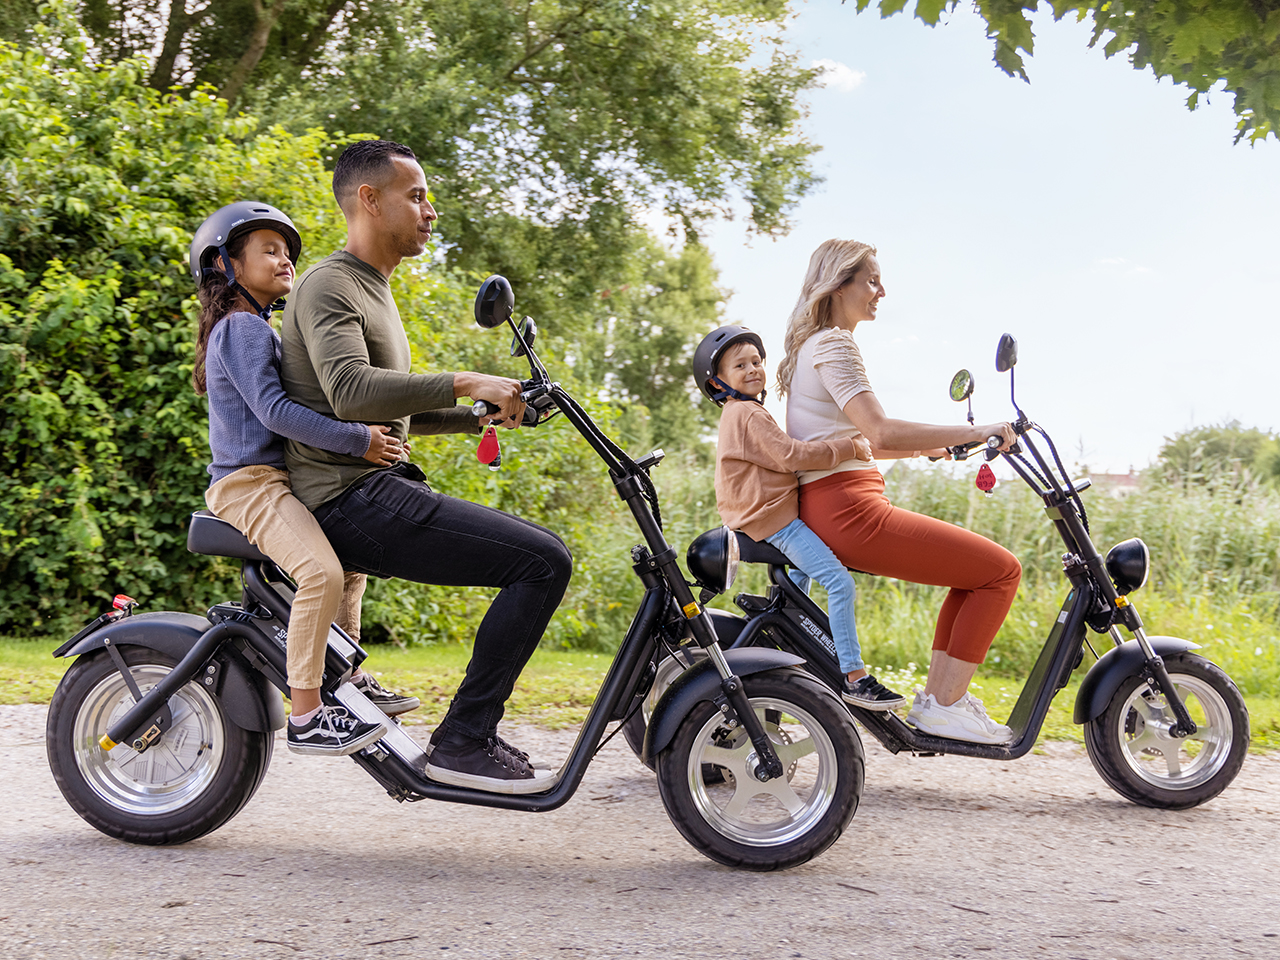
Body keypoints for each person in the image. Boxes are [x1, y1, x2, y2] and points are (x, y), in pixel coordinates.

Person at [278, 139, 572, 795]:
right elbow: (351, 391)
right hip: (347, 497)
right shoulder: (330, 284)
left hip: (370, 489)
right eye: (415, 196)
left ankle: (468, 734)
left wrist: (480, 416)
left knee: (542, 555)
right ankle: (465, 739)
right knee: (542, 561)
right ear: (369, 200)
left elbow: (392, 408)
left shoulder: (372, 289)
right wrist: (467, 381)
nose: (430, 211)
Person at [191, 200, 421, 757]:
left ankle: (345, 679)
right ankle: (307, 715)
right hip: (249, 484)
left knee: (350, 564)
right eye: (268, 250)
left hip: (279, 479)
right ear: (225, 264)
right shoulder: (241, 327)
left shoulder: (263, 330)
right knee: (321, 573)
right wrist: (359, 440)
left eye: (287, 251)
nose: (285, 260)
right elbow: (274, 412)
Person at [777, 239, 1021, 745]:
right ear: (838, 285)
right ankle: (946, 707)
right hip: (851, 510)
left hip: (837, 504)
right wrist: (977, 430)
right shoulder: (835, 344)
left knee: (972, 578)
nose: (882, 291)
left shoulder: (812, 347)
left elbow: (856, 441)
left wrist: (931, 449)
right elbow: (881, 431)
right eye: (871, 280)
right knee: (1001, 572)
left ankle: (939, 702)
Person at [695, 325, 906, 709]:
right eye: (740, 365)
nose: (752, 369)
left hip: (761, 516)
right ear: (717, 382)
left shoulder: (738, 413)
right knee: (840, 584)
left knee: (799, 583)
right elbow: (792, 456)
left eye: (756, 361)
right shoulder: (747, 413)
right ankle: (855, 678)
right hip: (773, 521)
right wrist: (849, 447)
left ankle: (793, 644)